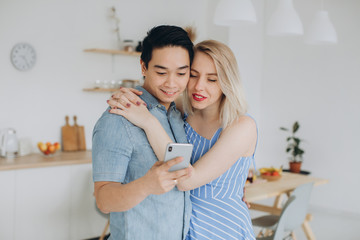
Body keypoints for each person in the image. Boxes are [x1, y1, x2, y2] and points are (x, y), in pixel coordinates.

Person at [108, 40, 257, 240]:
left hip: (222, 229)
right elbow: (152, 94)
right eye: (193, 75)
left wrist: (148, 122)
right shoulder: (182, 112)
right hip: (181, 226)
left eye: (212, 79)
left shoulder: (242, 126)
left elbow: (188, 180)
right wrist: (126, 96)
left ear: (227, 82)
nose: (198, 87)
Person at [92, 25, 195, 240]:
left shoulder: (178, 116)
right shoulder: (118, 118)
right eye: (161, 72)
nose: (171, 83)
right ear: (143, 66)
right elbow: (103, 199)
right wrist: (146, 185)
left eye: (181, 73)